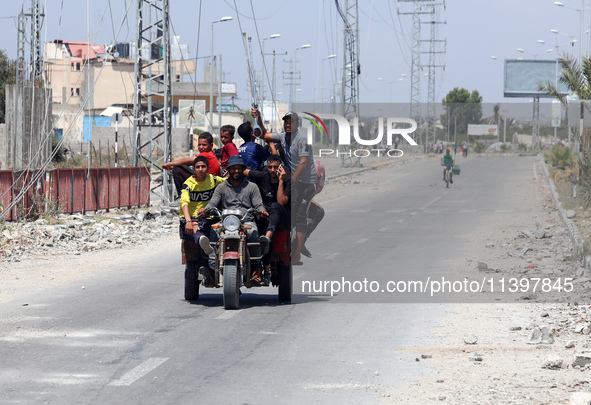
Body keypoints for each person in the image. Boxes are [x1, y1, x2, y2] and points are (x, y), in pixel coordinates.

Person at [201, 155, 269, 285]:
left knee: (253, 233)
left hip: (245, 221)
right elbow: (213, 202)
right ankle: (211, 269)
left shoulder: (252, 187)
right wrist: (206, 210)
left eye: (239, 168)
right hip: (226, 222)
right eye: (233, 168)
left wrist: (262, 211)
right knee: (213, 233)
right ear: (229, 170)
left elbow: (258, 204)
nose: (236, 171)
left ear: (243, 169)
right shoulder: (221, 187)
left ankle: (256, 270)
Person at [262, 112, 317, 265]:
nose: (288, 125)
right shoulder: (283, 137)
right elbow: (265, 135)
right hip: (294, 181)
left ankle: (297, 254)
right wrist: (259, 117)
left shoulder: (303, 139)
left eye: (291, 122)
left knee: (299, 217)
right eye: (285, 122)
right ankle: (292, 243)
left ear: (297, 124)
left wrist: (291, 181)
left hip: (305, 182)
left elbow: (303, 163)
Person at [244, 154, 291, 286]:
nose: (272, 170)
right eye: (269, 167)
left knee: (275, 206)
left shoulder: (287, 180)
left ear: (280, 167)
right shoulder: (263, 176)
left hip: (282, 217)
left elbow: (281, 202)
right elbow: (244, 171)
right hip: (264, 216)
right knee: (259, 233)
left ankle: (268, 236)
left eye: (275, 167)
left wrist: (281, 181)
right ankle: (259, 268)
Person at [179, 156, 225, 287]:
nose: (200, 169)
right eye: (197, 167)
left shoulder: (214, 180)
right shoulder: (188, 184)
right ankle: (201, 243)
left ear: (208, 169)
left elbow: (229, 183)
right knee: (196, 227)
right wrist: (188, 220)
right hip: (191, 217)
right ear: (193, 169)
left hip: (209, 216)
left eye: (203, 167)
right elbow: (184, 202)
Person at [163, 132, 222, 196]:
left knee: (177, 169)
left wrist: (168, 164)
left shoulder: (207, 155)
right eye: (199, 145)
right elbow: (189, 163)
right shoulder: (211, 154)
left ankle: (182, 196)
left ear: (211, 145)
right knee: (178, 167)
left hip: (207, 183)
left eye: (204, 145)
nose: (201, 147)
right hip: (206, 180)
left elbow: (184, 161)